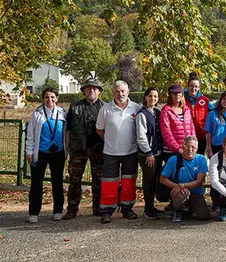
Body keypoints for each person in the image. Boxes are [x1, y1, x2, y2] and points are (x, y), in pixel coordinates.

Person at [96, 80, 140, 223]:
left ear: (128, 92)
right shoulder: (105, 109)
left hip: (131, 152)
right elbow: (99, 129)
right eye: (117, 91)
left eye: (123, 91)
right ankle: (107, 211)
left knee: (129, 182)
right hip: (111, 152)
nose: (120, 94)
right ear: (113, 92)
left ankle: (127, 209)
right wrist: (110, 140)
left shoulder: (136, 108)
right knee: (109, 183)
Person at [63, 74, 105, 220]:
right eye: (88, 89)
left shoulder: (105, 107)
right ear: (84, 91)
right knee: (75, 180)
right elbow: (68, 128)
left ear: (99, 91)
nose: (91, 91)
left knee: (98, 179)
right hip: (78, 148)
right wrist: (68, 145)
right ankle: (72, 209)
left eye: (94, 88)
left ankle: (98, 207)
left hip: (98, 148)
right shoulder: (75, 107)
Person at [26, 87, 67, 223]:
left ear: (57, 98)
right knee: (36, 183)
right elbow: (30, 134)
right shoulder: (37, 114)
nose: (50, 100)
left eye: (52, 97)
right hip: (41, 152)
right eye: (47, 97)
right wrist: (29, 151)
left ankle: (58, 210)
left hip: (58, 152)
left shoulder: (63, 113)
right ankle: (33, 212)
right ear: (43, 99)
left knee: (57, 182)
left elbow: (67, 133)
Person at [159, 136, 210, 223]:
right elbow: (162, 179)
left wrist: (183, 186)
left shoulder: (201, 159)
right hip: (178, 192)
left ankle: (188, 209)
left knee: (204, 216)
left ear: (197, 149)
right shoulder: (174, 159)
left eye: (193, 147)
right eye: (188, 146)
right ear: (182, 147)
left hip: (195, 193)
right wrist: (177, 187)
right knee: (182, 195)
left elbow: (199, 182)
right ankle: (177, 210)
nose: (190, 149)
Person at [135, 87, 164, 219]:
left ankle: (152, 206)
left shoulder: (157, 113)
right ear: (146, 97)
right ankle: (148, 209)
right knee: (149, 181)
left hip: (158, 153)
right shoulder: (142, 114)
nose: (153, 98)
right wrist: (148, 152)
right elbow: (141, 136)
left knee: (155, 181)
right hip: (148, 154)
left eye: (155, 96)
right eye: (150, 96)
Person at [159, 84, 196, 167]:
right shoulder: (166, 111)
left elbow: (191, 128)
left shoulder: (186, 109)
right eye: (175, 93)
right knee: (174, 176)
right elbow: (166, 133)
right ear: (171, 95)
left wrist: (192, 145)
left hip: (187, 150)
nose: (177, 95)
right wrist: (177, 149)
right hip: (171, 152)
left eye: (179, 93)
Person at [204, 91, 226, 157]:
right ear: (220, 100)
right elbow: (208, 133)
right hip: (216, 145)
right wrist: (209, 148)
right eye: (224, 99)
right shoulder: (212, 114)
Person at [185, 73, 211, 156]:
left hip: (201, 137)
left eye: (196, 86)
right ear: (188, 86)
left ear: (199, 88)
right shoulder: (182, 99)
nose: (193, 88)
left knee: (199, 160)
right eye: (191, 86)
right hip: (186, 137)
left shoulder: (205, 100)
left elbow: (215, 112)